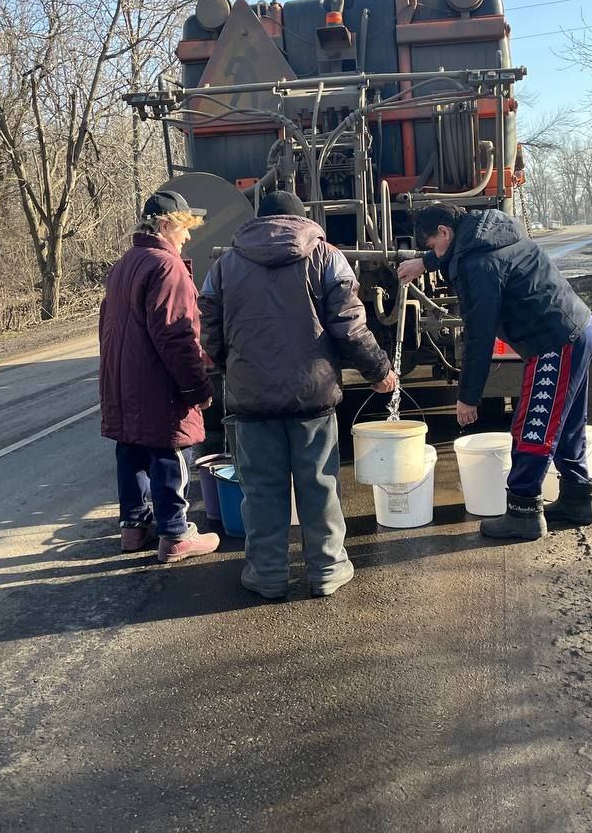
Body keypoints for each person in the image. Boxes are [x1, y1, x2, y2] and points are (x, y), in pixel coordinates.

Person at [199, 190, 397, 599]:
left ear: (259, 220)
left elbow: (210, 333)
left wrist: (233, 369)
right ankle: (327, 568)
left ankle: (267, 574)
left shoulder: (225, 265)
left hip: (250, 400)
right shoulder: (326, 257)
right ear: (302, 219)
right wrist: (379, 371)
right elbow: (349, 326)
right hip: (313, 396)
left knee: (261, 491)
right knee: (319, 484)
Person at [397, 203, 592, 540]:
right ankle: (578, 500)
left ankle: (523, 512)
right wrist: (426, 261)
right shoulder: (491, 231)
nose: (434, 251)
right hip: (576, 328)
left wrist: (467, 397)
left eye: (432, 245)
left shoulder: (479, 265)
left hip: (554, 341)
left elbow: (479, 334)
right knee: (567, 424)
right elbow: (463, 252)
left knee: (534, 426)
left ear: (445, 232)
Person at [98, 189, 220, 563]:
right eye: (184, 228)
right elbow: (175, 333)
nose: (188, 237)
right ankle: (176, 533)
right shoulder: (166, 267)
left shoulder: (125, 264)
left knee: (132, 448)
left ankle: (134, 528)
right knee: (167, 450)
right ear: (165, 225)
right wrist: (196, 385)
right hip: (156, 382)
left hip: (123, 379)